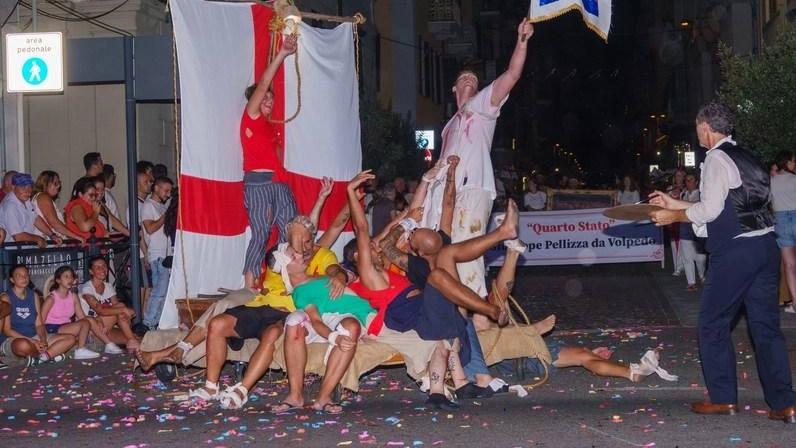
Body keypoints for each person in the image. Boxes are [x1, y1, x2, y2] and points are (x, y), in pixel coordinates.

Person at [649, 101, 796, 422]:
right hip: (765, 247)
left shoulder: (715, 158)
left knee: (713, 324)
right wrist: (674, 201)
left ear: (705, 127)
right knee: (766, 328)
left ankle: (723, 398)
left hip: (736, 252)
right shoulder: (747, 156)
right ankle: (785, 402)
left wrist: (672, 215)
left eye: (697, 127)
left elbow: (711, 212)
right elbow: (732, 203)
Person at [421, 18, 534, 329]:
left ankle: (481, 331)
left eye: (474, 78)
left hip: (471, 190)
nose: (470, 80)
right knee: (442, 264)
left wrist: (521, 42)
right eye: (464, 78)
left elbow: (512, 75)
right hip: (443, 198)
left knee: (468, 263)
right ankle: (457, 334)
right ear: (455, 87)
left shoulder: (482, 108)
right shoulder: (448, 125)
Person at [240, 33, 299, 289]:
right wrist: (282, 54)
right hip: (258, 183)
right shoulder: (250, 116)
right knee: (262, 232)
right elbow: (264, 83)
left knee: (291, 230)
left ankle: (286, 279)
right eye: (263, 97)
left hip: (278, 182)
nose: (267, 100)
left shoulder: (269, 127)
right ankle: (248, 285)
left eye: (270, 98)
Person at [0, 265, 73, 364]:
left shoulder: (34, 295)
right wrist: (31, 341)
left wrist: (43, 340)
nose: (24, 278)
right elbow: (7, 330)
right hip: (15, 340)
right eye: (19, 276)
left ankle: (40, 358)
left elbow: (39, 324)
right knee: (23, 345)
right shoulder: (6, 297)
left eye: (26, 275)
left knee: (70, 338)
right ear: (12, 280)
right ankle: (48, 356)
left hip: (35, 337)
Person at [41, 266, 104, 360]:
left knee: (86, 324)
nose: (70, 279)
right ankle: (81, 350)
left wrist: (96, 320)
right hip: (52, 328)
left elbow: (82, 317)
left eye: (71, 277)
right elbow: (40, 320)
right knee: (85, 324)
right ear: (58, 280)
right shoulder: (51, 298)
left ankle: (108, 344)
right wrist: (43, 339)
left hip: (67, 327)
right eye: (66, 277)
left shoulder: (73, 296)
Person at [80, 256, 138, 353]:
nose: (102, 270)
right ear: (91, 271)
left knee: (133, 337)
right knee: (121, 310)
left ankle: (132, 342)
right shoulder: (87, 288)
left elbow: (117, 306)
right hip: (91, 329)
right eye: (98, 267)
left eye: (104, 266)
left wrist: (123, 310)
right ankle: (132, 341)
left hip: (106, 327)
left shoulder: (108, 286)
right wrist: (124, 310)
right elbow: (100, 310)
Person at [140, 177, 174, 330]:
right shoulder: (148, 206)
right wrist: (165, 217)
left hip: (165, 254)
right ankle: (149, 323)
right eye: (166, 190)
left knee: (164, 291)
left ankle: (157, 322)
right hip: (157, 254)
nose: (168, 194)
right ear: (156, 188)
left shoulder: (161, 206)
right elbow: (150, 228)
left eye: (169, 191)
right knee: (159, 291)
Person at [0, 173, 61, 247]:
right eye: (23, 187)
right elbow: (18, 236)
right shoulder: (10, 206)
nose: (27, 191)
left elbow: (35, 218)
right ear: (13, 187)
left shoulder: (25, 199)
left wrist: (52, 235)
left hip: (24, 251)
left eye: (30, 187)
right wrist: (38, 239)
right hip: (11, 253)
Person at [771, 150, 796, 313]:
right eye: (793, 161)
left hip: (780, 220)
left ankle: (795, 300)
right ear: (786, 163)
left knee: (789, 264)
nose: (794, 164)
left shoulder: (771, 181)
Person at [32, 171, 86, 243]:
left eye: (59, 183)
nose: (58, 186)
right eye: (55, 183)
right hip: (50, 244)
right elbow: (54, 222)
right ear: (46, 183)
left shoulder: (40, 197)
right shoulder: (43, 197)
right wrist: (76, 236)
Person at [679, 172, 706, 291]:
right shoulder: (683, 194)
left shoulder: (701, 195)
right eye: (687, 180)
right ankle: (691, 282)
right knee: (687, 257)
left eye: (691, 180)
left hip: (697, 228)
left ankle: (702, 275)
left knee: (701, 258)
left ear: (696, 182)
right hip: (685, 227)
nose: (688, 182)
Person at [64, 177, 109, 241]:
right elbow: (85, 227)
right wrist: (96, 212)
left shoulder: (91, 207)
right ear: (80, 194)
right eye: (91, 195)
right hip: (83, 249)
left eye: (95, 195)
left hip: (96, 247)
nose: (93, 198)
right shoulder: (76, 206)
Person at [666, 167, 686, 276]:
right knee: (674, 243)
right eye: (677, 175)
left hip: (684, 218)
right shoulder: (670, 189)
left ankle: (682, 265)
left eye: (681, 175)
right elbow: (667, 205)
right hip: (673, 218)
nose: (679, 178)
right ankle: (677, 267)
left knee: (684, 243)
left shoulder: (686, 189)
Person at [101, 164, 122, 231]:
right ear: (111, 176)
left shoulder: (106, 194)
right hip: (111, 236)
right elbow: (111, 219)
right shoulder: (105, 194)